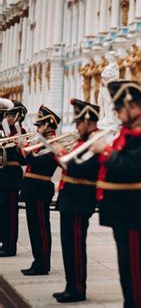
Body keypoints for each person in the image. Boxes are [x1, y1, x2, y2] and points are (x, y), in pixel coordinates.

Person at [90, 80, 141, 308]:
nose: (118, 115)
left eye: (119, 109)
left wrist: (105, 150)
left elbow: (132, 167)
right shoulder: (133, 129)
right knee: (126, 268)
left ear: (131, 105)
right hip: (125, 209)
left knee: (133, 269)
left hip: (135, 210)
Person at [52, 99, 101, 303]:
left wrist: (60, 153)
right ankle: (70, 285)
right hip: (70, 199)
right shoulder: (83, 141)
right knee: (68, 246)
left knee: (76, 247)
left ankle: (78, 289)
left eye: (79, 122)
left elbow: (81, 168)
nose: (76, 127)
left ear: (88, 122)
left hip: (80, 200)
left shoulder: (95, 141)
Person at [20, 105, 60, 275]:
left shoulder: (53, 143)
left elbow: (40, 164)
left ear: (49, 125)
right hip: (32, 188)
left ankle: (43, 264)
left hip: (41, 188)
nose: (37, 128)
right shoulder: (42, 142)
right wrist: (21, 149)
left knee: (41, 228)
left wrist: (25, 150)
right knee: (33, 228)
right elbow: (27, 163)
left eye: (40, 125)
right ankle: (38, 261)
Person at [0, 100, 27, 257]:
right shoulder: (2, 130)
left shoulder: (20, 132)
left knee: (10, 214)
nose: (6, 117)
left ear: (17, 116)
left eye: (9, 115)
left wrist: (19, 146)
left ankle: (10, 246)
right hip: (1, 176)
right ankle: (3, 241)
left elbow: (24, 160)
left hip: (11, 176)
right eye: (5, 114)